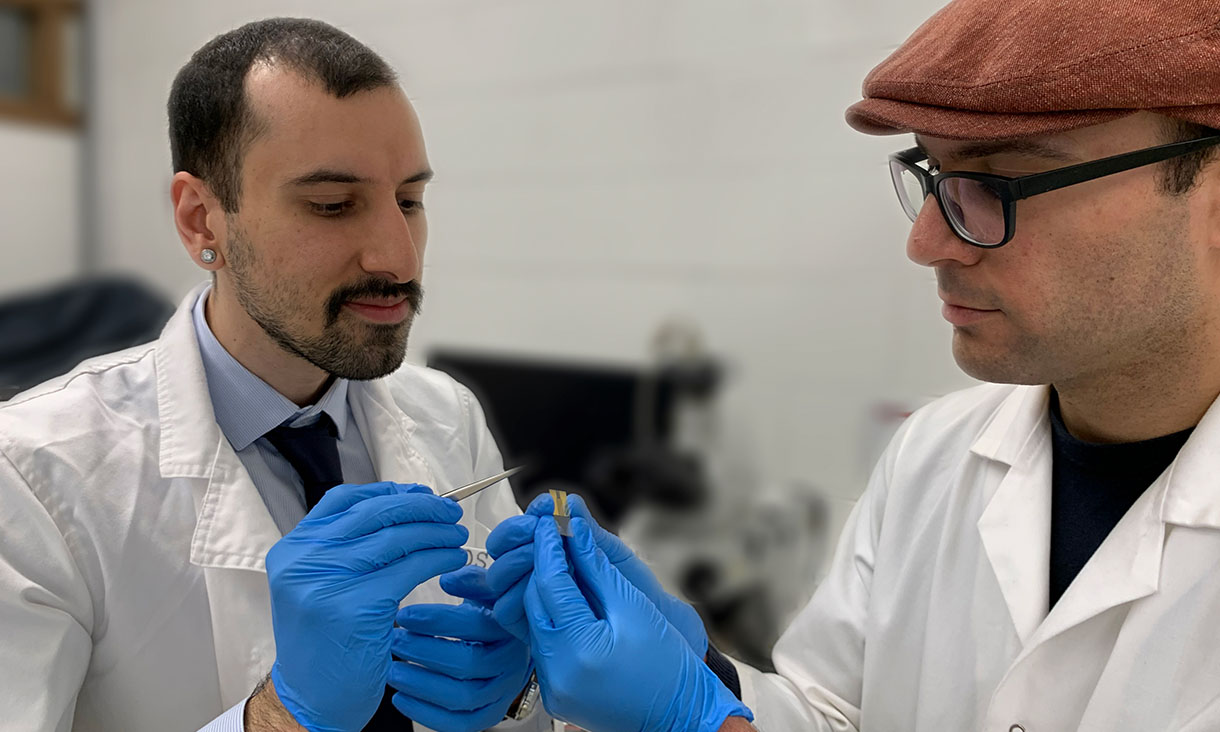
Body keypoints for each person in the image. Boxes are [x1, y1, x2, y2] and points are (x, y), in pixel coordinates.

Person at [476, 1, 1220, 730]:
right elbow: (840, 716)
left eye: (996, 186)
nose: (927, 241)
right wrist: (701, 673)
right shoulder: (937, 453)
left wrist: (697, 724)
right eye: (934, 174)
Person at [0, 18, 546, 732]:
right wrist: (282, 716)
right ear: (203, 222)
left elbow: (507, 676)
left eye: (409, 200)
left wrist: (522, 690)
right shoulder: (33, 476)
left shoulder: (445, 414)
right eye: (332, 205)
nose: (399, 257)